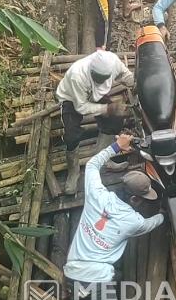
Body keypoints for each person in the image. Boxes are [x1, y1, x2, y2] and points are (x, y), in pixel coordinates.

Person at [63, 133, 164, 300]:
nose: (143, 202)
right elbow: (151, 223)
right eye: (143, 198)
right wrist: (164, 213)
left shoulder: (97, 193)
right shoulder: (132, 221)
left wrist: (115, 147)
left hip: (72, 273)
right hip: (97, 280)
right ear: (134, 200)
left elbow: (92, 165)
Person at [56, 50, 135, 195]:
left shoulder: (112, 61)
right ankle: (73, 173)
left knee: (115, 122)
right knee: (71, 136)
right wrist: (107, 108)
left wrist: (136, 85)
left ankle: (103, 160)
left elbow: (125, 75)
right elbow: (81, 107)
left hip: (94, 94)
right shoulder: (77, 76)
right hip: (72, 99)